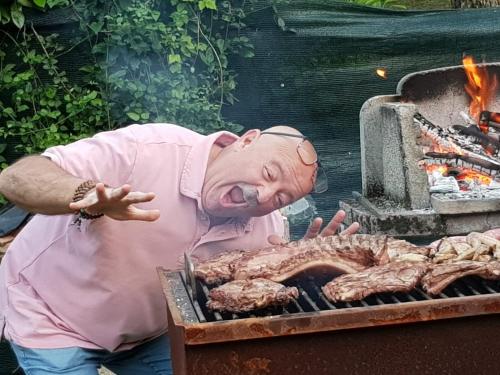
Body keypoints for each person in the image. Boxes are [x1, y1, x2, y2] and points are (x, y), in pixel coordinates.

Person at [0, 123, 358, 374]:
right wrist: (83, 195)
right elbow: (17, 177)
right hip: (49, 316)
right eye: (268, 173)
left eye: (281, 197)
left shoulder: (266, 227)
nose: (263, 195)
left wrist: (300, 266)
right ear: (246, 141)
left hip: (149, 333)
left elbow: (243, 296)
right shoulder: (148, 149)